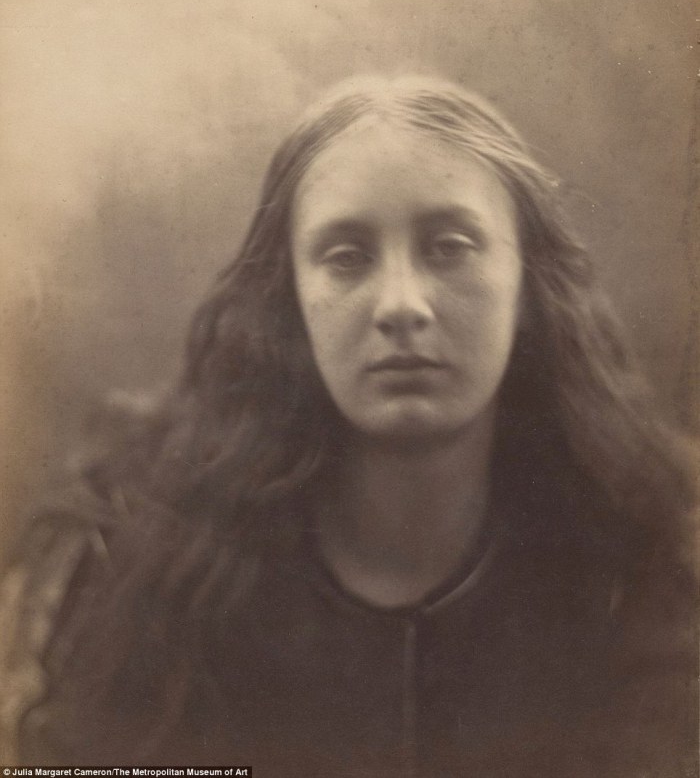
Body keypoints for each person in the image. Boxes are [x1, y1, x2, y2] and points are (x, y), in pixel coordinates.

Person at [1, 75, 697, 777]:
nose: (401, 305)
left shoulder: (652, 563)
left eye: (449, 247)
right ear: (291, 303)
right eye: (347, 258)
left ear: (526, 291)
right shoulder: (136, 567)